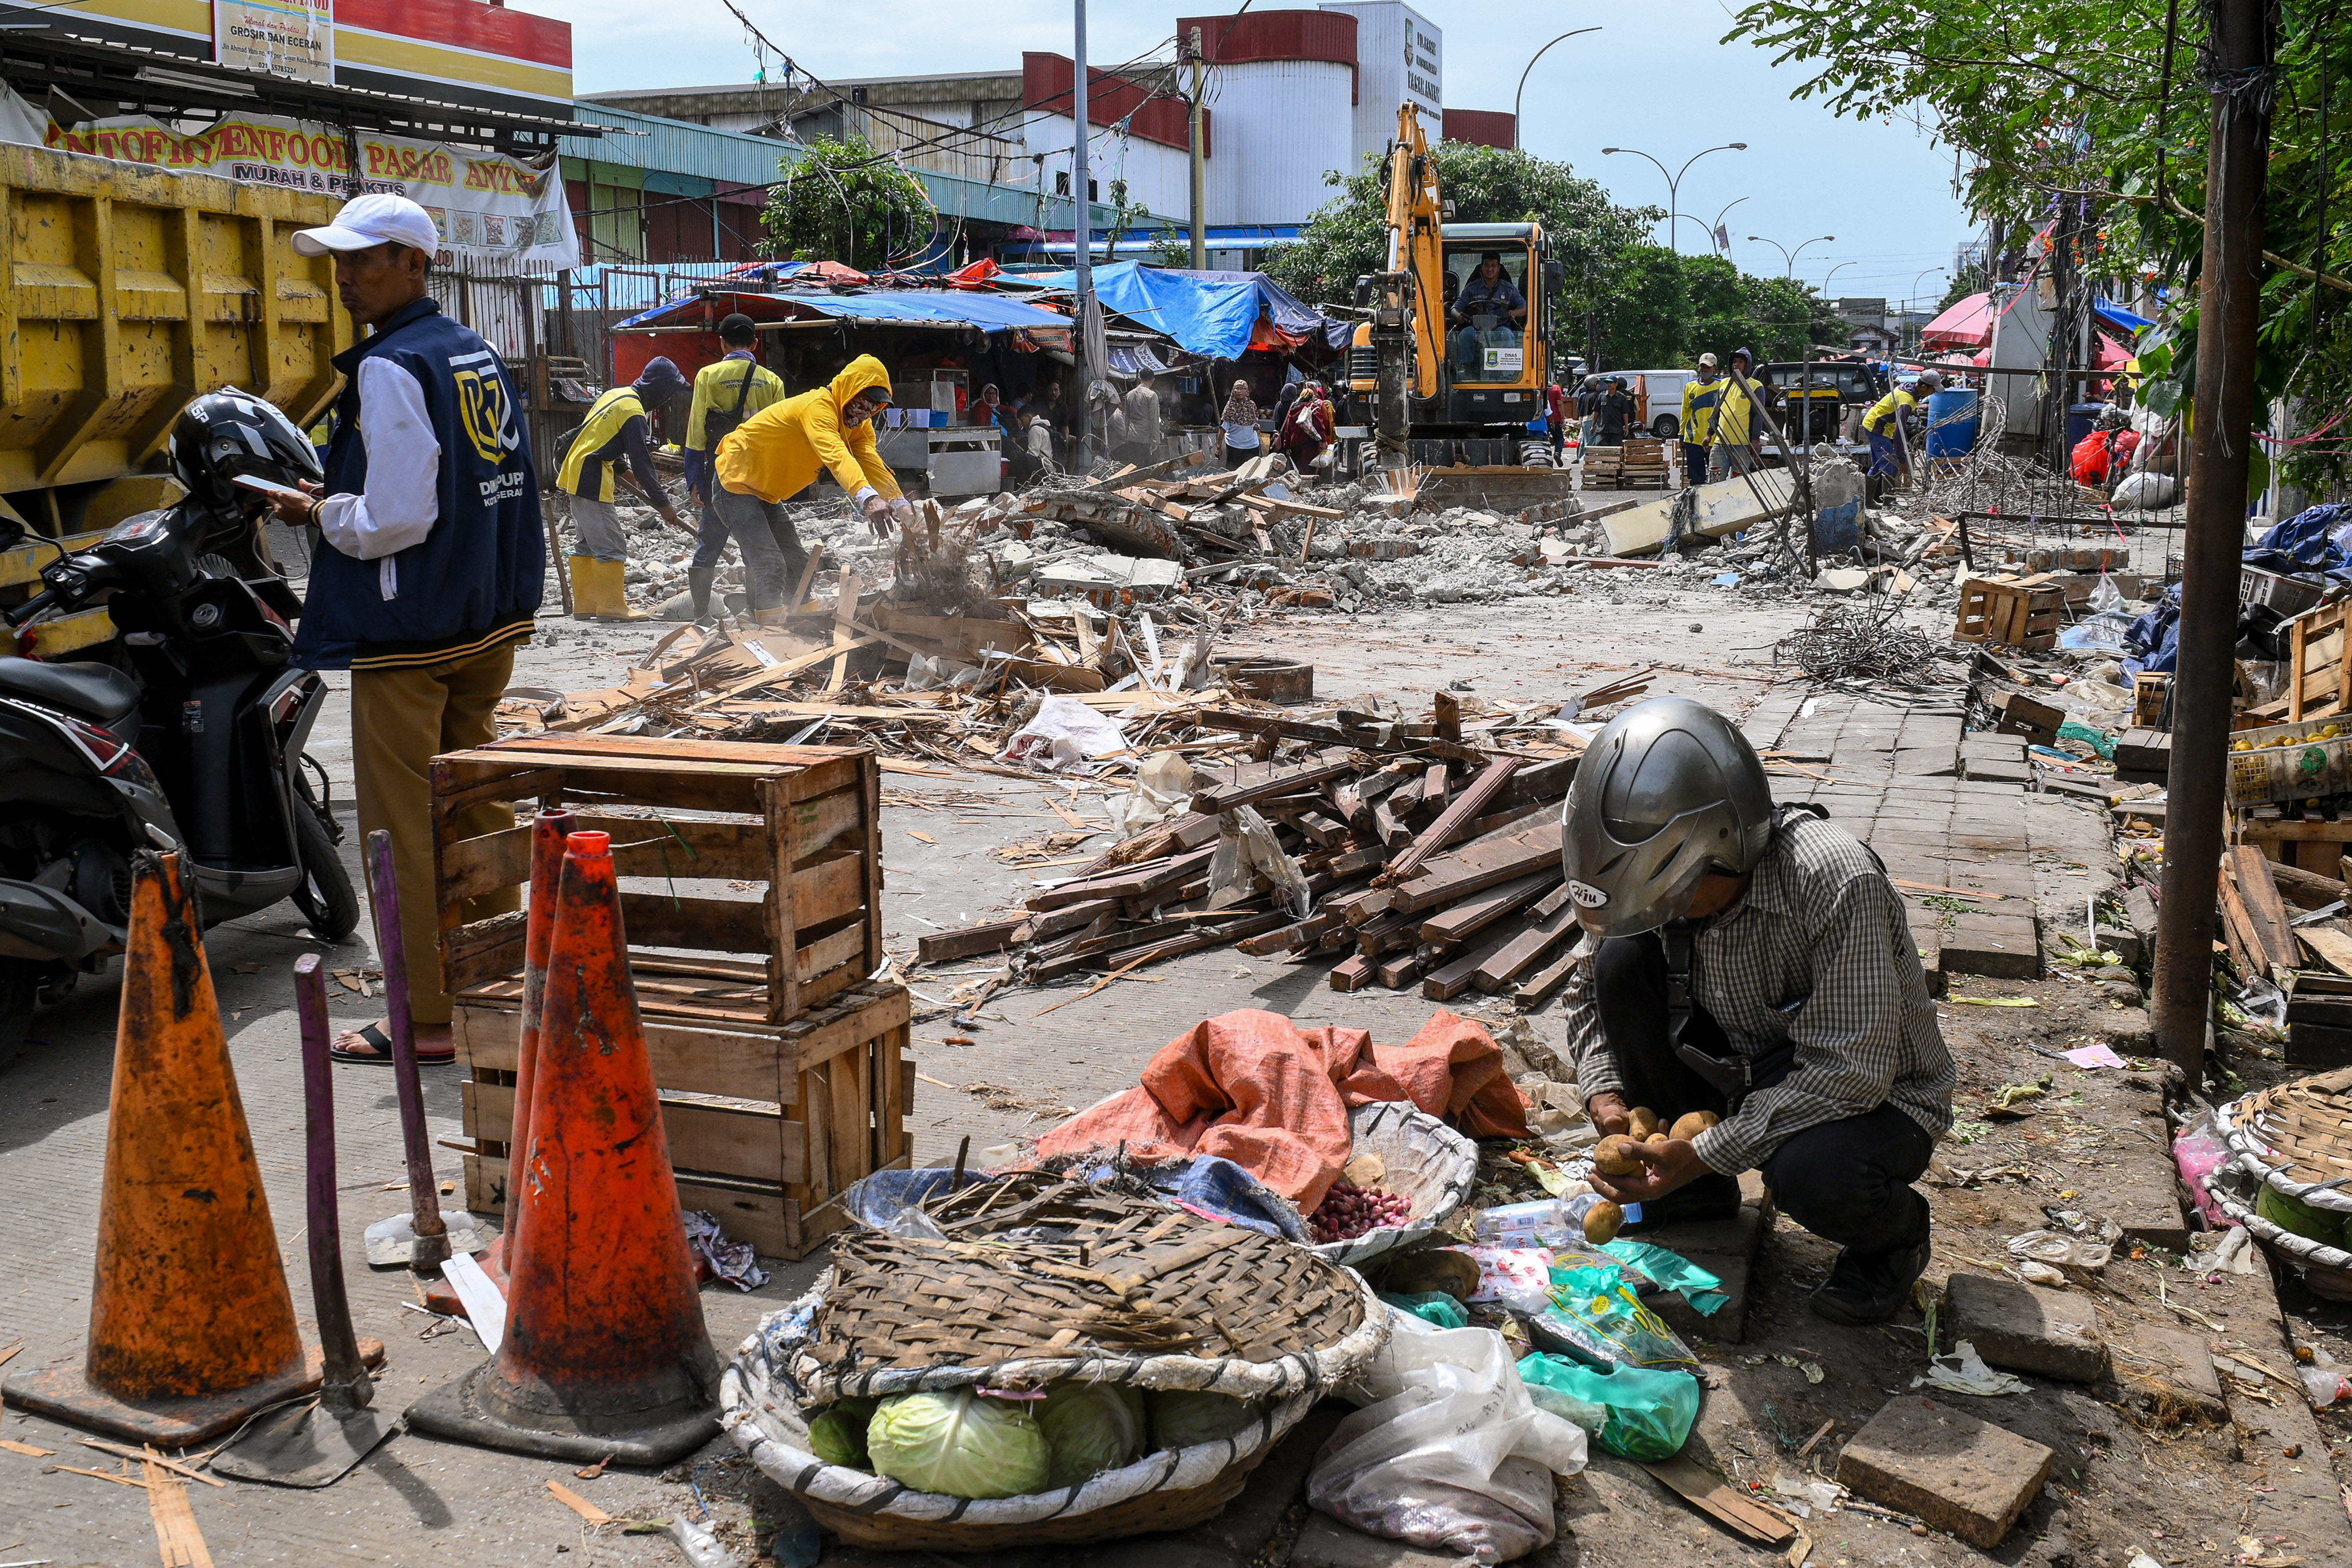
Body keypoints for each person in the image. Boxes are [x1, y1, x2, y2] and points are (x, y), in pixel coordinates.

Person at [1559, 697, 1955, 1325]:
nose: (1661, 912)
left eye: (1674, 894)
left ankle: (1896, 1238)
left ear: (1723, 846)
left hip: (1877, 1097)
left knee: (1810, 1172)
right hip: (1747, 1066)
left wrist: (1710, 1145)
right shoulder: (1651, 894)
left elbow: (1853, 1072)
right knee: (1622, 962)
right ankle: (1693, 1194)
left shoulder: (1833, 881)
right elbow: (1585, 995)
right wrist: (1608, 1099)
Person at [263, 192, 544, 1065]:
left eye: (366, 259)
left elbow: (392, 517)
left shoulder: (392, 365)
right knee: (477, 802)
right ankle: (505, 978)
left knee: (403, 825)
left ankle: (425, 1011)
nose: (346, 276)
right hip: (484, 618)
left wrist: (317, 511)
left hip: (409, 626)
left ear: (416, 264)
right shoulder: (473, 350)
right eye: (341, 261)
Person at [713, 354, 909, 622]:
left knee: (799, 566)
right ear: (848, 389)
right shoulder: (818, 408)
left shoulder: (859, 427)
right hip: (735, 481)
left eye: (874, 407)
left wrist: (902, 506)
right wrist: (868, 498)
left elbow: (870, 462)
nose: (864, 412)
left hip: (767, 492)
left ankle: (804, 626)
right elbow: (837, 455)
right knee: (769, 564)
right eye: (862, 401)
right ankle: (768, 632)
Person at [556, 356, 691, 622]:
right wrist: (663, 504)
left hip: (576, 469)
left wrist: (621, 469)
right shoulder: (634, 413)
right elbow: (643, 462)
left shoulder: (615, 395)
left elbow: (598, 436)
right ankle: (611, 606)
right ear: (660, 388)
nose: (666, 400)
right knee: (611, 544)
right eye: (669, 392)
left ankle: (586, 605)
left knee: (586, 544)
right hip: (591, 476)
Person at [680, 316, 786, 623]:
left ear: (722, 343)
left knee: (710, 542)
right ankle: (757, 610)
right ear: (755, 344)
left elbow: (696, 432)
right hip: (759, 476)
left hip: (721, 473)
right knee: (755, 543)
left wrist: (695, 478)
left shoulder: (709, 376)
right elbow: (782, 437)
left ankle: (701, 615)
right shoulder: (772, 382)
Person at [1450, 251, 1527, 378]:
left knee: (1507, 335)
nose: (1490, 269)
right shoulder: (1471, 288)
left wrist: (1514, 313)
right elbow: (1455, 308)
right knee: (1466, 334)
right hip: (1475, 328)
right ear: (1482, 267)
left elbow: (1525, 308)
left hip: (1500, 328)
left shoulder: (1509, 289)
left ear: (1499, 269)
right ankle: (1467, 371)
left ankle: (1506, 374)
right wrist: (1458, 316)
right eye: (1487, 265)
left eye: (1493, 266)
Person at [1862, 369, 1943, 483]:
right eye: (1933, 389)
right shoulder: (1907, 401)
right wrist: (1902, 459)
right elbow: (1899, 431)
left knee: (1878, 465)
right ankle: (1887, 501)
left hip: (1874, 423)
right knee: (1891, 466)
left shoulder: (1909, 387)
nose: (1934, 393)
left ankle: (1869, 500)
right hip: (1877, 427)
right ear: (1924, 387)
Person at [1708, 348, 1763, 482]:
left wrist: (1755, 440)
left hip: (1742, 445)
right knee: (1714, 482)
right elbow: (1717, 410)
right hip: (1720, 443)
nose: (1736, 365)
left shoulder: (1756, 386)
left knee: (1738, 483)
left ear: (1748, 365)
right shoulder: (1724, 383)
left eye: (1740, 362)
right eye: (1734, 362)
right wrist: (1709, 433)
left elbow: (1758, 415)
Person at [1680, 353, 1725, 484]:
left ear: (1715, 369)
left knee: (1716, 479)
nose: (1705, 370)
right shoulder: (1690, 386)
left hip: (1715, 440)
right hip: (1693, 439)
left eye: (1709, 367)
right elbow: (1685, 412)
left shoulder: (1721, 385)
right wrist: (1681, 436)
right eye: (1703, 367)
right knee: (1696, 480)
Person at [1280, 381, 1335, 470]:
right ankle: (1309, 484)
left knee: (1298, 468)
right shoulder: (1313, 408)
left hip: (1295, 445)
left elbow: (1288, 429)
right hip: (1310, 444)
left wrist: (1288, 446)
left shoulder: (1293, 409)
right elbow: (1320, 425)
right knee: (1310, 468)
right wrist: (1324, 440)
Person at [1121, 372, 1164, 466]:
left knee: (1133, 467)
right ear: (1153, 381)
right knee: (1149, 467)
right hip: (1146, 437)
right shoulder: (1152, 395)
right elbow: (1154, 420)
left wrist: (1127, 436)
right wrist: (1156, 440)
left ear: (1140, 379)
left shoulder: (1130, 394)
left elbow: (1127, 418)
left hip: (1132, 436)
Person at [1220, 378, 1263, 467]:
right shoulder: (1230, 407)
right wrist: (1218, 448)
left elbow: (1254, 422)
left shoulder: (1252, 406)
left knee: (1252, 472)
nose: (1239, 391)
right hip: (1234, 446)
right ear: (1233, 391)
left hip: (1252, 446)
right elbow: (1223, 429)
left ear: (1246, 391)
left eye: (1242, 389)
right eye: (1237, 389)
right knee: (1234, 473)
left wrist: (1255, 426)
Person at [1594, 377, 1634, 447]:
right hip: (1602, 430)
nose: (1609, 385)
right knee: (1602, 452)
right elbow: (1597, 411)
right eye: (1607, 383)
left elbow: (1625, 413)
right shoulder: (1601, 396)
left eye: (1611, 383)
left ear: (1616, 384)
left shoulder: (1622, 397)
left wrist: (1627, 428)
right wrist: (1593, 425)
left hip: (1617, 430)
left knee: (1616, 452)